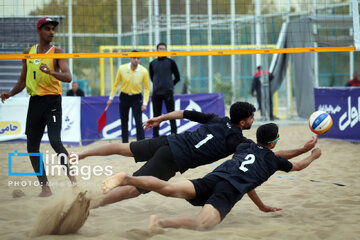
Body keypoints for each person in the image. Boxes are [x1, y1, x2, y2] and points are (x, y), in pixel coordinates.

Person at [77, 102, 317, 208]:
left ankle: (83, 154)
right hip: (174, 158)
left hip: (170, 141)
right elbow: (264, 153)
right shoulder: (237, 140)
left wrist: (160, 118)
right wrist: (304, 150)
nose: (254, 120)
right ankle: (92, 204)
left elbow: (183, 113)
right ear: (243, 121)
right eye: (252, 118)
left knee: (124, 147)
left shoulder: (217, 119)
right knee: (133, 189)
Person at [101, 123, 321, 231]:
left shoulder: (246, 145)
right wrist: (312, 155)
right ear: (274, 142)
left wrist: (261, 206)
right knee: (202, 224)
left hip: (212, 179)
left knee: (168, 189)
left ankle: (127, 178)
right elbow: (298, 166)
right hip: (226, 191)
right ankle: (160, 222)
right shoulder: (274, 161)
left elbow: (250, 183)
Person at [0, 17, 76, 197]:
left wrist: (50, 72)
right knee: (32, 147)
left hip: (52, 102)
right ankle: (45, 188)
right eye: (47, 29)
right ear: (39, 31)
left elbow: (68, 77)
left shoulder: (57, 52)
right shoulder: (28, 52)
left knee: (55, 142)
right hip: (35, 103)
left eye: (53, 29)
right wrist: (10, 94)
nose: (51, 32)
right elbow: (22, 80)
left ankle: (74, 183)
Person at [107, 50, 150, 143]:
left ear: (140, 59)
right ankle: (125, 143)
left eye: (138, 58)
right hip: (124, 96)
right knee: (124, 121)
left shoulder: (144, 71)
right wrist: (110, 98)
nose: (136, 60)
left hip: (137, 97)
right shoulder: (122, 68)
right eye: (134, 58)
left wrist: (145, 103)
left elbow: (147, 89)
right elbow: (116, 84)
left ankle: (141, 143)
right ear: (130, 58)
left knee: (138, 122)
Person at [149, 43, 180, 137]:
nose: (162, 50)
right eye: (160, 48)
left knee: (172, 116)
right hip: (156, 93)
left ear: (166, 50)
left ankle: (174, 136)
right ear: (157, 50)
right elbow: (152, 77)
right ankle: (155, 138)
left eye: (163, 49)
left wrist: (170, 85)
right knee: (156, 116)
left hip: (168, 93)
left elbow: (177, 77)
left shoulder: (171, 62)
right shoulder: (153, 63)